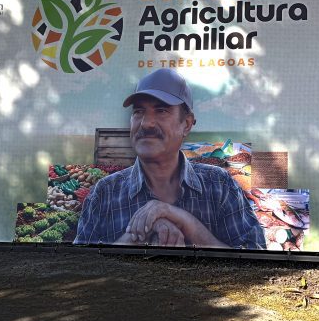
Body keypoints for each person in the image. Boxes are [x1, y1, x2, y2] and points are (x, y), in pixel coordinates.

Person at [74, 68, 266, 249]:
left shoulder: (219, 186)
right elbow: (77, 268)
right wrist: (136, 235)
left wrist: (186, 222)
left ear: (187, 124)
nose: (146, 123)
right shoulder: (105, 194)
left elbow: (256, 261)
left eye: (161, 111)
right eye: (138, 111)